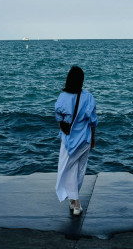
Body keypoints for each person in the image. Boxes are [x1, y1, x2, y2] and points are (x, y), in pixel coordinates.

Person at [54, 65, 98, 215]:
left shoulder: (63, 97)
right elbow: (93, 121)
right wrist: (93, 137)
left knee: (68, 169)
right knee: (80, 169)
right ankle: (74, 201)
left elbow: (58, 116)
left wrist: (63, 127)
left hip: (69, 141)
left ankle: (76, 202)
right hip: (84, 139)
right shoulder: (89, 97)